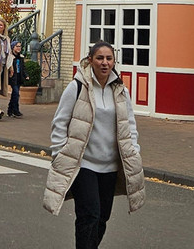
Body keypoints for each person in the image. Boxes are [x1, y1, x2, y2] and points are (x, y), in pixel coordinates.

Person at [43, 41, 145, 248]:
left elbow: (130, 124)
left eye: (109, 58)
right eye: (100, 58)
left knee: (102, 218)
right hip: (84, 164)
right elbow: (60, 122)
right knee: (89, 214)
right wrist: (60, 153)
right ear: (90, 60)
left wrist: (134, 149)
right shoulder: (77, 87)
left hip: (109, 166)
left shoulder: (120, 90)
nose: (105, 63)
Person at [8, 40, 25, 117]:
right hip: (13, 78)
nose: (19, 48)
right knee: (16, 93)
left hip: (18, 77)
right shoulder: (11, 57)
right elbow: (8, 67)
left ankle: (10, 110)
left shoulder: (21, 57)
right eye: (17, 46)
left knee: (14, 94)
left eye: (20, 46)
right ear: (13, 47)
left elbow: (23, 68)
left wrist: (26, 75)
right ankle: (16, 110)